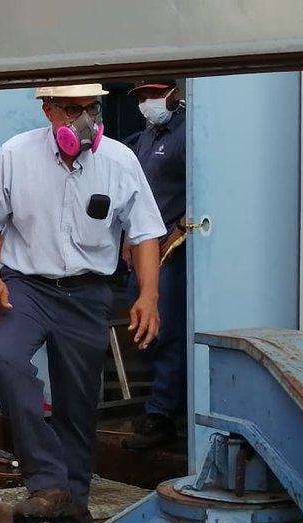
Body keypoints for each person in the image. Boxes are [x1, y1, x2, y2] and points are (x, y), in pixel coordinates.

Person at [0, 84, 165, 523]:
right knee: (6, 361)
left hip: (88, 291)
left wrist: (148, 296)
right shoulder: (15, 154)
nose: (85, 120)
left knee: (78, 402)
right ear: (48, 110)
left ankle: (71, 507)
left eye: (91, 108)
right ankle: (47, 481)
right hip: (26, 286)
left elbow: (145, 233)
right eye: (72, 110)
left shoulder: (119, 160)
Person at [122, 79, 187, 450]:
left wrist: (180, 229)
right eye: (142, 97)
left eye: (154, 95)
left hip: (169, 251)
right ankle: (159, 408)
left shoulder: (187, 135)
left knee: (166, 330)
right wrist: (127, 241)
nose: (148, 102)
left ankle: (162, 414)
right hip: (141, 248)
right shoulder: (145, 138)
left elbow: (206, 184)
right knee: (144, 330)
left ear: (174, 93)